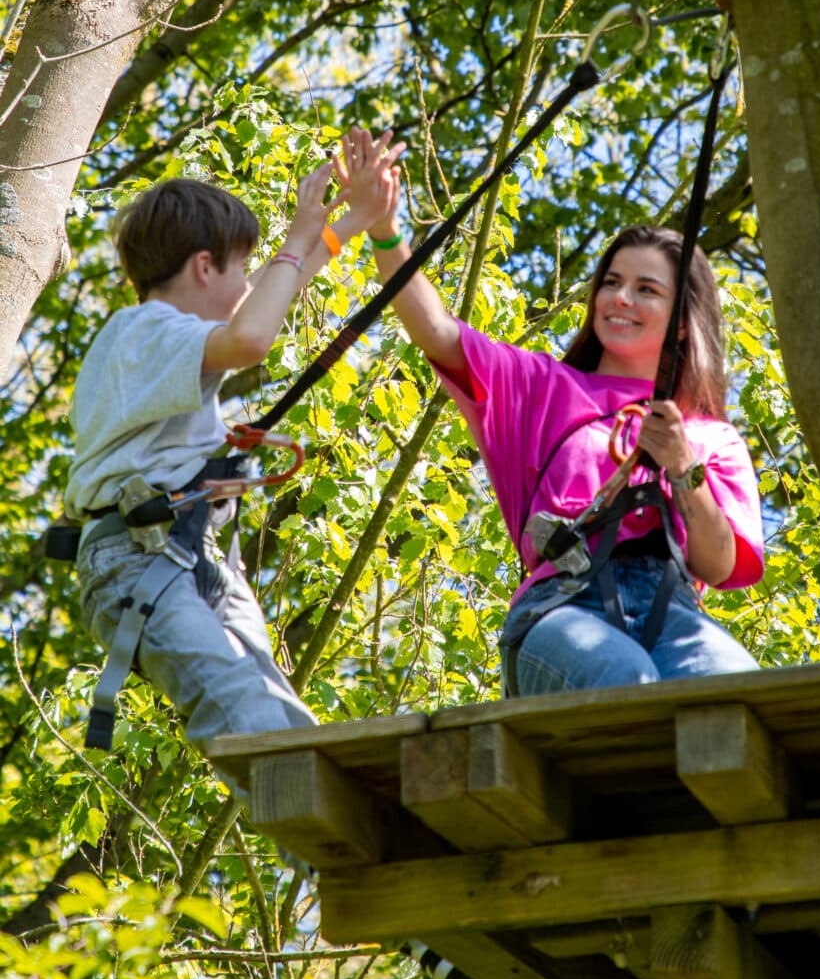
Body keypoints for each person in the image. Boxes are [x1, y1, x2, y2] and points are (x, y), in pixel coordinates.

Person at [337, 126, 764, 698]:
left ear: (683, 321)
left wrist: (684, 469)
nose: (620, 299)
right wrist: (386, 232)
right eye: (611, 283)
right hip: (564, 607)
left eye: (646, 290)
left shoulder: (711, 438)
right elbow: (436, 332)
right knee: (624, 679)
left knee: (737, 692)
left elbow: (716, 565)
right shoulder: (541, 387)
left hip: (672, 612)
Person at [65, 157, 397, 797]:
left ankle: (347, 827)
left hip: (191, 552)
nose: (250, 283)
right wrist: (299, 239)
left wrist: (349, 225)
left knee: (283, 714)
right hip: (137, 560)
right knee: (240, 703)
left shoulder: (167, 341)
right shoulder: (145, 330)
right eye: (242, 267)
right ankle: (320, 833)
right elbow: (252, 336)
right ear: (203, 266)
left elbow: (267, 306)